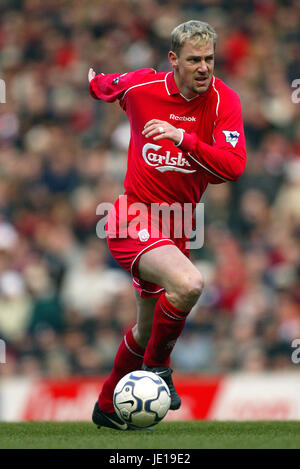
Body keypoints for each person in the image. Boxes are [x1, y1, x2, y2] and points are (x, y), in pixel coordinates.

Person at [88, 20, 246, 430]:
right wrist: (96, 83)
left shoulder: (223, 100)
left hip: (179, 226)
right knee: (190, 284)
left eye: (209, 59)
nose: (204, 67)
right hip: (131, 215)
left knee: (144, 330)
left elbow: (233, 167)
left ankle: (106, 405)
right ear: (173, 60)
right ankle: (159, 369)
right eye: (194, 59)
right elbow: (108, 86)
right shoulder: (144, 88)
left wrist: (183, 139)